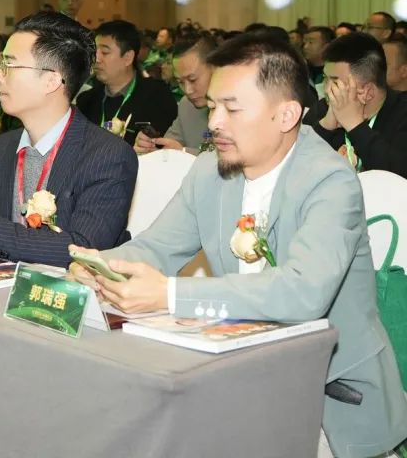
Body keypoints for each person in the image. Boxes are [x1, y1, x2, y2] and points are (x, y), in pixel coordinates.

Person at [68, 33, 407, 458]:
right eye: (212, 106)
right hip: (238, 373)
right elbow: (156, 248)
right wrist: (100, 265)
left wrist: (169, 294)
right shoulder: (210, 170)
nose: (214, 122)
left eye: (232, 108)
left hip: (326, 399)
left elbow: (303, 292)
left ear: (286, 115)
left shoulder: (330, 181)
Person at [0, 11, 136, 266]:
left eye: (9, 65)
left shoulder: (108, 155)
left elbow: (82, 250)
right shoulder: (3, 147)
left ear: (51, 81)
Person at [304, 32, 407, 177]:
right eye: (325, 79)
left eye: (335, 82)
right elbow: (296, 167)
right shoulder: (323, 109)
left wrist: (355, 126)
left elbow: (400, 174)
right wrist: (325, 127)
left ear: (368, 91)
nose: (326, 89)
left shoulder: (402, 112)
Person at [76, 20, 178, 146]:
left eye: (105, 52)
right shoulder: (86, 101)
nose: (96, 59)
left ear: (128, 57)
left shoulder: (157, 97)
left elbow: (162, 146)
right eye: (94, 52)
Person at [135, 34, 217, 155]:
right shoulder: (187, 105)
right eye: (180, 82)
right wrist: (152, 149)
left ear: (216, 67)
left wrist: (183, 152)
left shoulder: (239, 108)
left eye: (193, 80)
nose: (188, 90)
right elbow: (169, 146)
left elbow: (236, 161)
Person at [302, 26, 333, 98]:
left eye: (311, 42)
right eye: (304, 43)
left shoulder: (336, 72)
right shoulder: (300, 70)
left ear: (326, 46)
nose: (305, 47)